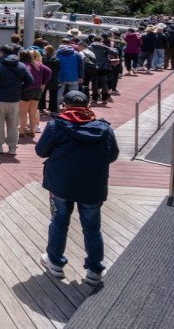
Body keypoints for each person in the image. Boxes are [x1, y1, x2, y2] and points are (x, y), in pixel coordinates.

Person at [36, 91, 119, 286]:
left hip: (61, 184)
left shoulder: (56, 126)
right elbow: (113, 155)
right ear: (88, 106)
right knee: (92, 228)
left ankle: (55, 262)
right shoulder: (104, 129)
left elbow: (41, 151)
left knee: (58, 222)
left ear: (65, 105)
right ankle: (94, 269)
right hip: (92, 185)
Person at [0, 44, 32, 155]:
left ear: (2, 53)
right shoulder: (21, 66)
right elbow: (30, 81)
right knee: (13, 125)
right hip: (14, 100)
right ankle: (12, 148)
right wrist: (20, 89)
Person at [19, 49, 51, 138]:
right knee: (33, 111)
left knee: (23, 113)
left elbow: (27, 75)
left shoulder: (25, 65)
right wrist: (43, 83)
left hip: (27, 90)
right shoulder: (39, 64)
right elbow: (49, 71)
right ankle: (32, 130)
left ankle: (21, 131)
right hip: (37, 90)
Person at [39, 45, 60, 116]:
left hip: (44, 78)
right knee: (53, 95)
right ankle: (53, 110)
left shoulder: (42, 59)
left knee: (42, 94)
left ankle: (41, 108)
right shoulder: (57, 60)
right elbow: (58, 70)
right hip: (54, 79)